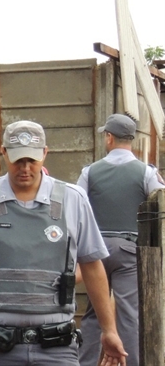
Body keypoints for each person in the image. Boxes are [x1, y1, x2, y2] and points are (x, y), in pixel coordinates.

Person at [0, 120, 127, 366]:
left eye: (32, 160)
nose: (25, 168)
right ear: (4, 152)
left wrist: (109, 330)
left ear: (45, 154)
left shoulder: (73, 200)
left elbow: (92, 266)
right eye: (18, 159)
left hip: (56, 347)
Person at [77, 114, 164, 366]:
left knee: (95, 312)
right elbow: (160, 204)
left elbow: (77, 206)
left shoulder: (90, 172)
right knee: (129, 313)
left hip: (96, 251)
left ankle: (87, 363)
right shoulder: (147, 172)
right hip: (129, 248)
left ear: (109, 137)